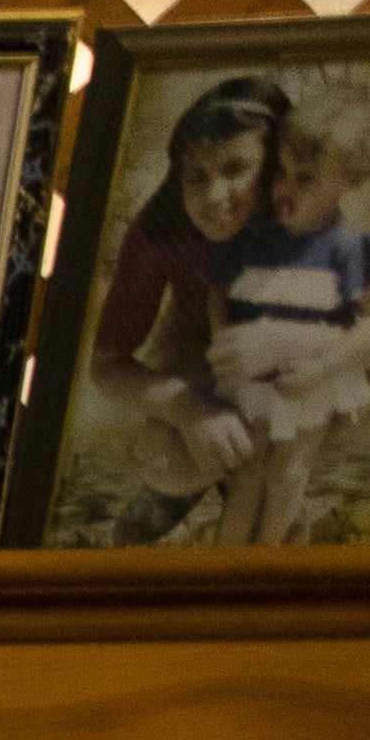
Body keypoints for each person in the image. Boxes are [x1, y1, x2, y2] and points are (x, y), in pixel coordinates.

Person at [161, 72, 370, 547]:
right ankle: (228, 569)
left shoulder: (352, 248)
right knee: (247, 474)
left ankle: (271, 568)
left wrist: (326, 364)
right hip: (252, 381)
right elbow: (219, 292)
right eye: (281, 173)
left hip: (310, 382)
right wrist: (224, 338)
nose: (285, 189)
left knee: (290, 472)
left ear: (350, 180)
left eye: (304, 179)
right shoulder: (253, 239)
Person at [72, 75, 291, 542]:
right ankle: (195, 484)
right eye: (198, 176)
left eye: (236, 169)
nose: (214, 197)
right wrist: (190, 411)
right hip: (207, 350)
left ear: (276, 167)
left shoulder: (305, 215)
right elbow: (107, 365)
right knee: (165, 462)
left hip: (303, 358)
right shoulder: (159, 231)